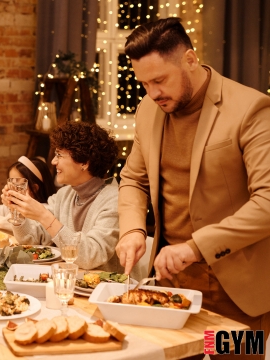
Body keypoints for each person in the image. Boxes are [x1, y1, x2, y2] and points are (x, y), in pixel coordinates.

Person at [115, 18, 270, 358]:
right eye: (143, 83)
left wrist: (196, 247)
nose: (152, 93)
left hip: (236, 291)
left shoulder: (251, 109)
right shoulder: (147, 110)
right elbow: (133, 180)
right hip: (170, 282)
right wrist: (132, 230)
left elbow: (268, 202)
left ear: (189, 59)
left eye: (159, 80)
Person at [5, 121, 128, 274]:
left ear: (84, 162)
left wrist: (45, 216)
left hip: (105, 291)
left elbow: (91, 256)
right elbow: (32, 239)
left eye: (59, 155)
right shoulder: (66, 194)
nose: (53, 161)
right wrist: (17, 212)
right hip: (68, 282)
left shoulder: (114, 200)